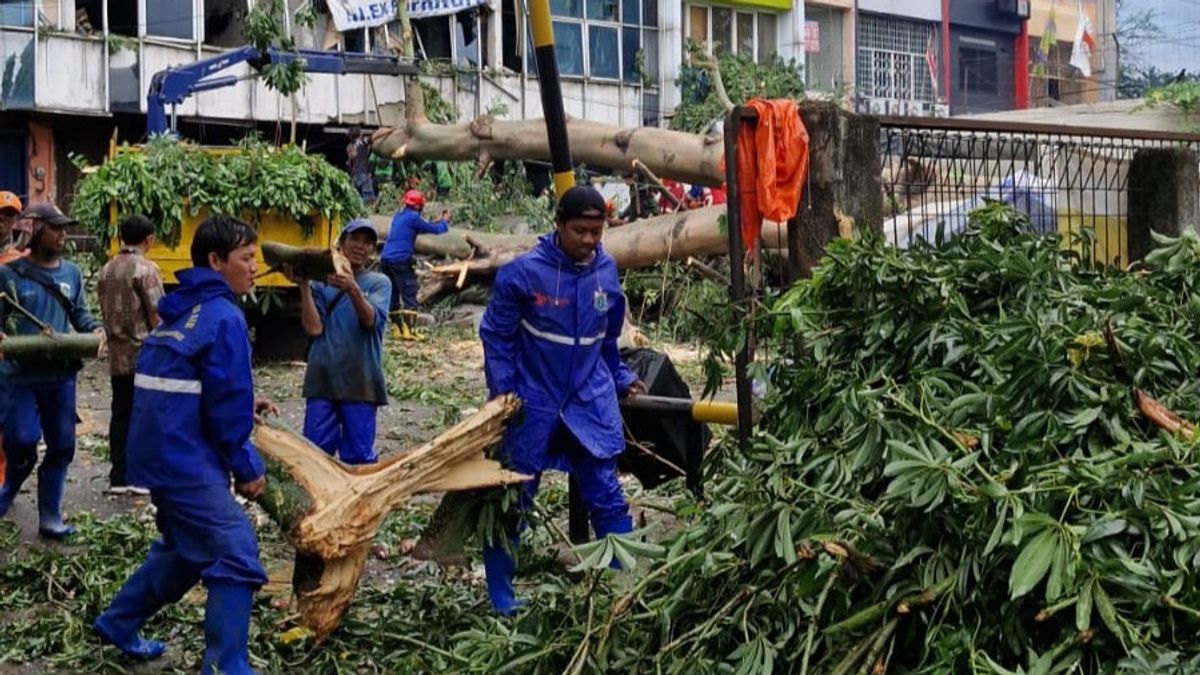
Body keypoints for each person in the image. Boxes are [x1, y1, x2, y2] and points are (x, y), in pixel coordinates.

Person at [93, 214, 276, 674]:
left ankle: (118, 623)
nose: (255, 267)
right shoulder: (224, 317)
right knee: (235, 550)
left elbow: (196, 385)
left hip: (157, 454)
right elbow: (226, 408)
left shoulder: (182, 310)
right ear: (216, 261)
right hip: (185, 461)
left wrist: (244, 402)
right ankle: (226, 665)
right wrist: (247, 466)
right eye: (246, 258)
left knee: (183, 548)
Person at [477, 184, 646, 615]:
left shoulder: (606, 271)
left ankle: (619, 588)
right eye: (579, 230)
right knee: (513, 496)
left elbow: (606, 339)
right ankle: (503, 600)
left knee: (606, 491)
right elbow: (496, 334)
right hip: (532, 398)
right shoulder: (523, 274)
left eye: (596, 230)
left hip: (589, 397)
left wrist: (621, 377)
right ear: (558, 225)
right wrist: (504, 391)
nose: (589, 240)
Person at [0, 203, 104, 539]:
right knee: (20, 441)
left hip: (60, 377)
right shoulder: (9, 275)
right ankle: (9, 490)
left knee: (62, 446)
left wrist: (97, 331)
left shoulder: (71, 273)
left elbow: (81, 316)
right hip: (19, 376)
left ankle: (50, 517)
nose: (63, 235)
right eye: (55, 228)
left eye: (64, 228)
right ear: (33, 229)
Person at [289, 219, 391, 464]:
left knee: (359, 458)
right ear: (341, 243)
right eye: (355, 239)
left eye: (367, 242)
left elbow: (369, 321)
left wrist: (353, 289)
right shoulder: (321, 283)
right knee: (314, 456)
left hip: (360, 381)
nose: (360, 246)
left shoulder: (379, 283)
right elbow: (314, 328)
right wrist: (303, 287)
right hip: (322, 378)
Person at [96, 215, 164, 495]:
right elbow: (158, 314)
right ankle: (140, 477)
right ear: (148, 240)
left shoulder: (106, 269)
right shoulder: (146, 269)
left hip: (117, 357)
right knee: (145, 416)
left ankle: (119, 476)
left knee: (120, 414)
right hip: (144, 355)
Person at [380, 189, 449, 335]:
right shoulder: (414, 218)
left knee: (393, 293)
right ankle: (409, 331)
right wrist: (444, 222)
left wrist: (431, 222)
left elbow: (416, 228)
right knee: (409, 293)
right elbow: (436, 230)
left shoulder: (399, 216)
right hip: (400, 260)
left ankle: (397, 329)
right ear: (419, 206)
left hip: (385, 259)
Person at [346, 127, 375, 206]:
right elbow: (374, 137)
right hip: (364, 174)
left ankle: (357, 211)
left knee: (354, 197)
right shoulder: (363, 141)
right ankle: (363, 211)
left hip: (354, 175)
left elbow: (350, 160)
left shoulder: (349, 146)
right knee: (367, 197)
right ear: (360, 134)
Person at [0, 190, 23, 264]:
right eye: (0, 212)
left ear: (15, 219)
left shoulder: (23, 251)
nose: (1, 217)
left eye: (9, 214)